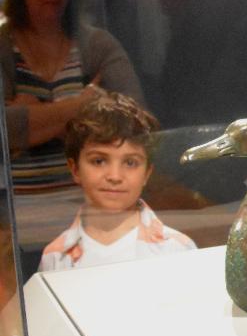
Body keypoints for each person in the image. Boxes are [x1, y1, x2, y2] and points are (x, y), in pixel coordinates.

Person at [1, 0, 143, 153]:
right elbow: (4, 131)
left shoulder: (98, 45)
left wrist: (33, 116)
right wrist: (84, 105)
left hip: (92, 178)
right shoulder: (3, 48)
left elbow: (140, 124)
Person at [39, 93, 195, 271]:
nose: (115, 176)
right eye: (99, 161)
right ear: (75, 169)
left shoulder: (176, 249)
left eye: (130, 163)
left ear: (147, 173)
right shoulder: (55, 258)